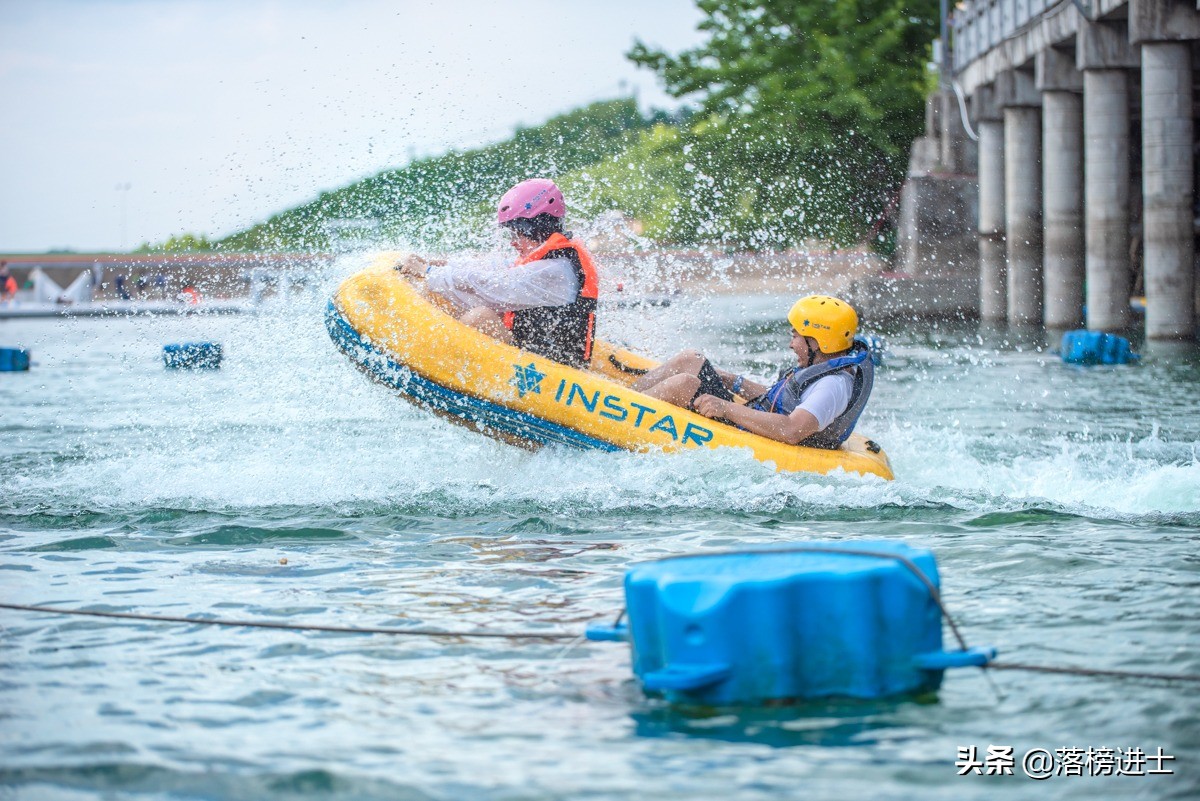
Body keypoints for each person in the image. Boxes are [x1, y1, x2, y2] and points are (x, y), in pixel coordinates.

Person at [397, 178, 599, 368]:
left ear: (538, 227)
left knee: (479, 318)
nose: (512, 241)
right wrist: (436, 264)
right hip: (533, 354)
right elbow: (487, 268)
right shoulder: (544, 261)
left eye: (517, 233)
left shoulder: (557, 270)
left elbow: (493, 285)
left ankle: (436, 364)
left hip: (553, 371)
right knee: (439, 294)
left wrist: (429, 271)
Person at [634, 295, 874, 449]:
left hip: (752, 437)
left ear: (818, 342)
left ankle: (610, 409)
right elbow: (781, 401)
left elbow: (792, 429)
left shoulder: (831, 386)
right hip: (751, 422)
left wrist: (725, 407)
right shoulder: (822, 369)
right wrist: (732, 381)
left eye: (795, 336)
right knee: (691, 359)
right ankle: (622, 393)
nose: (791, 344)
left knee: (685, 384)